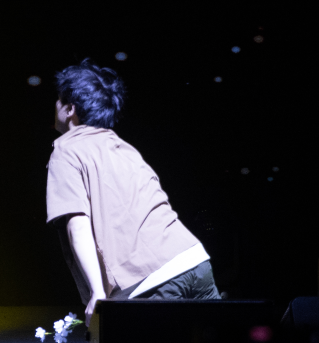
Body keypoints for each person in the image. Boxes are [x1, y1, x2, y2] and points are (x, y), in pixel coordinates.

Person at [45, 59, 219, 325]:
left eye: (58, 100)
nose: (54, 105)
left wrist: (97, 293)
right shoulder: (124, 148)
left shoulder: (66, 150)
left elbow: (77, 225)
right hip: (194, 260)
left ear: (70, 109)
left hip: (153, 279)